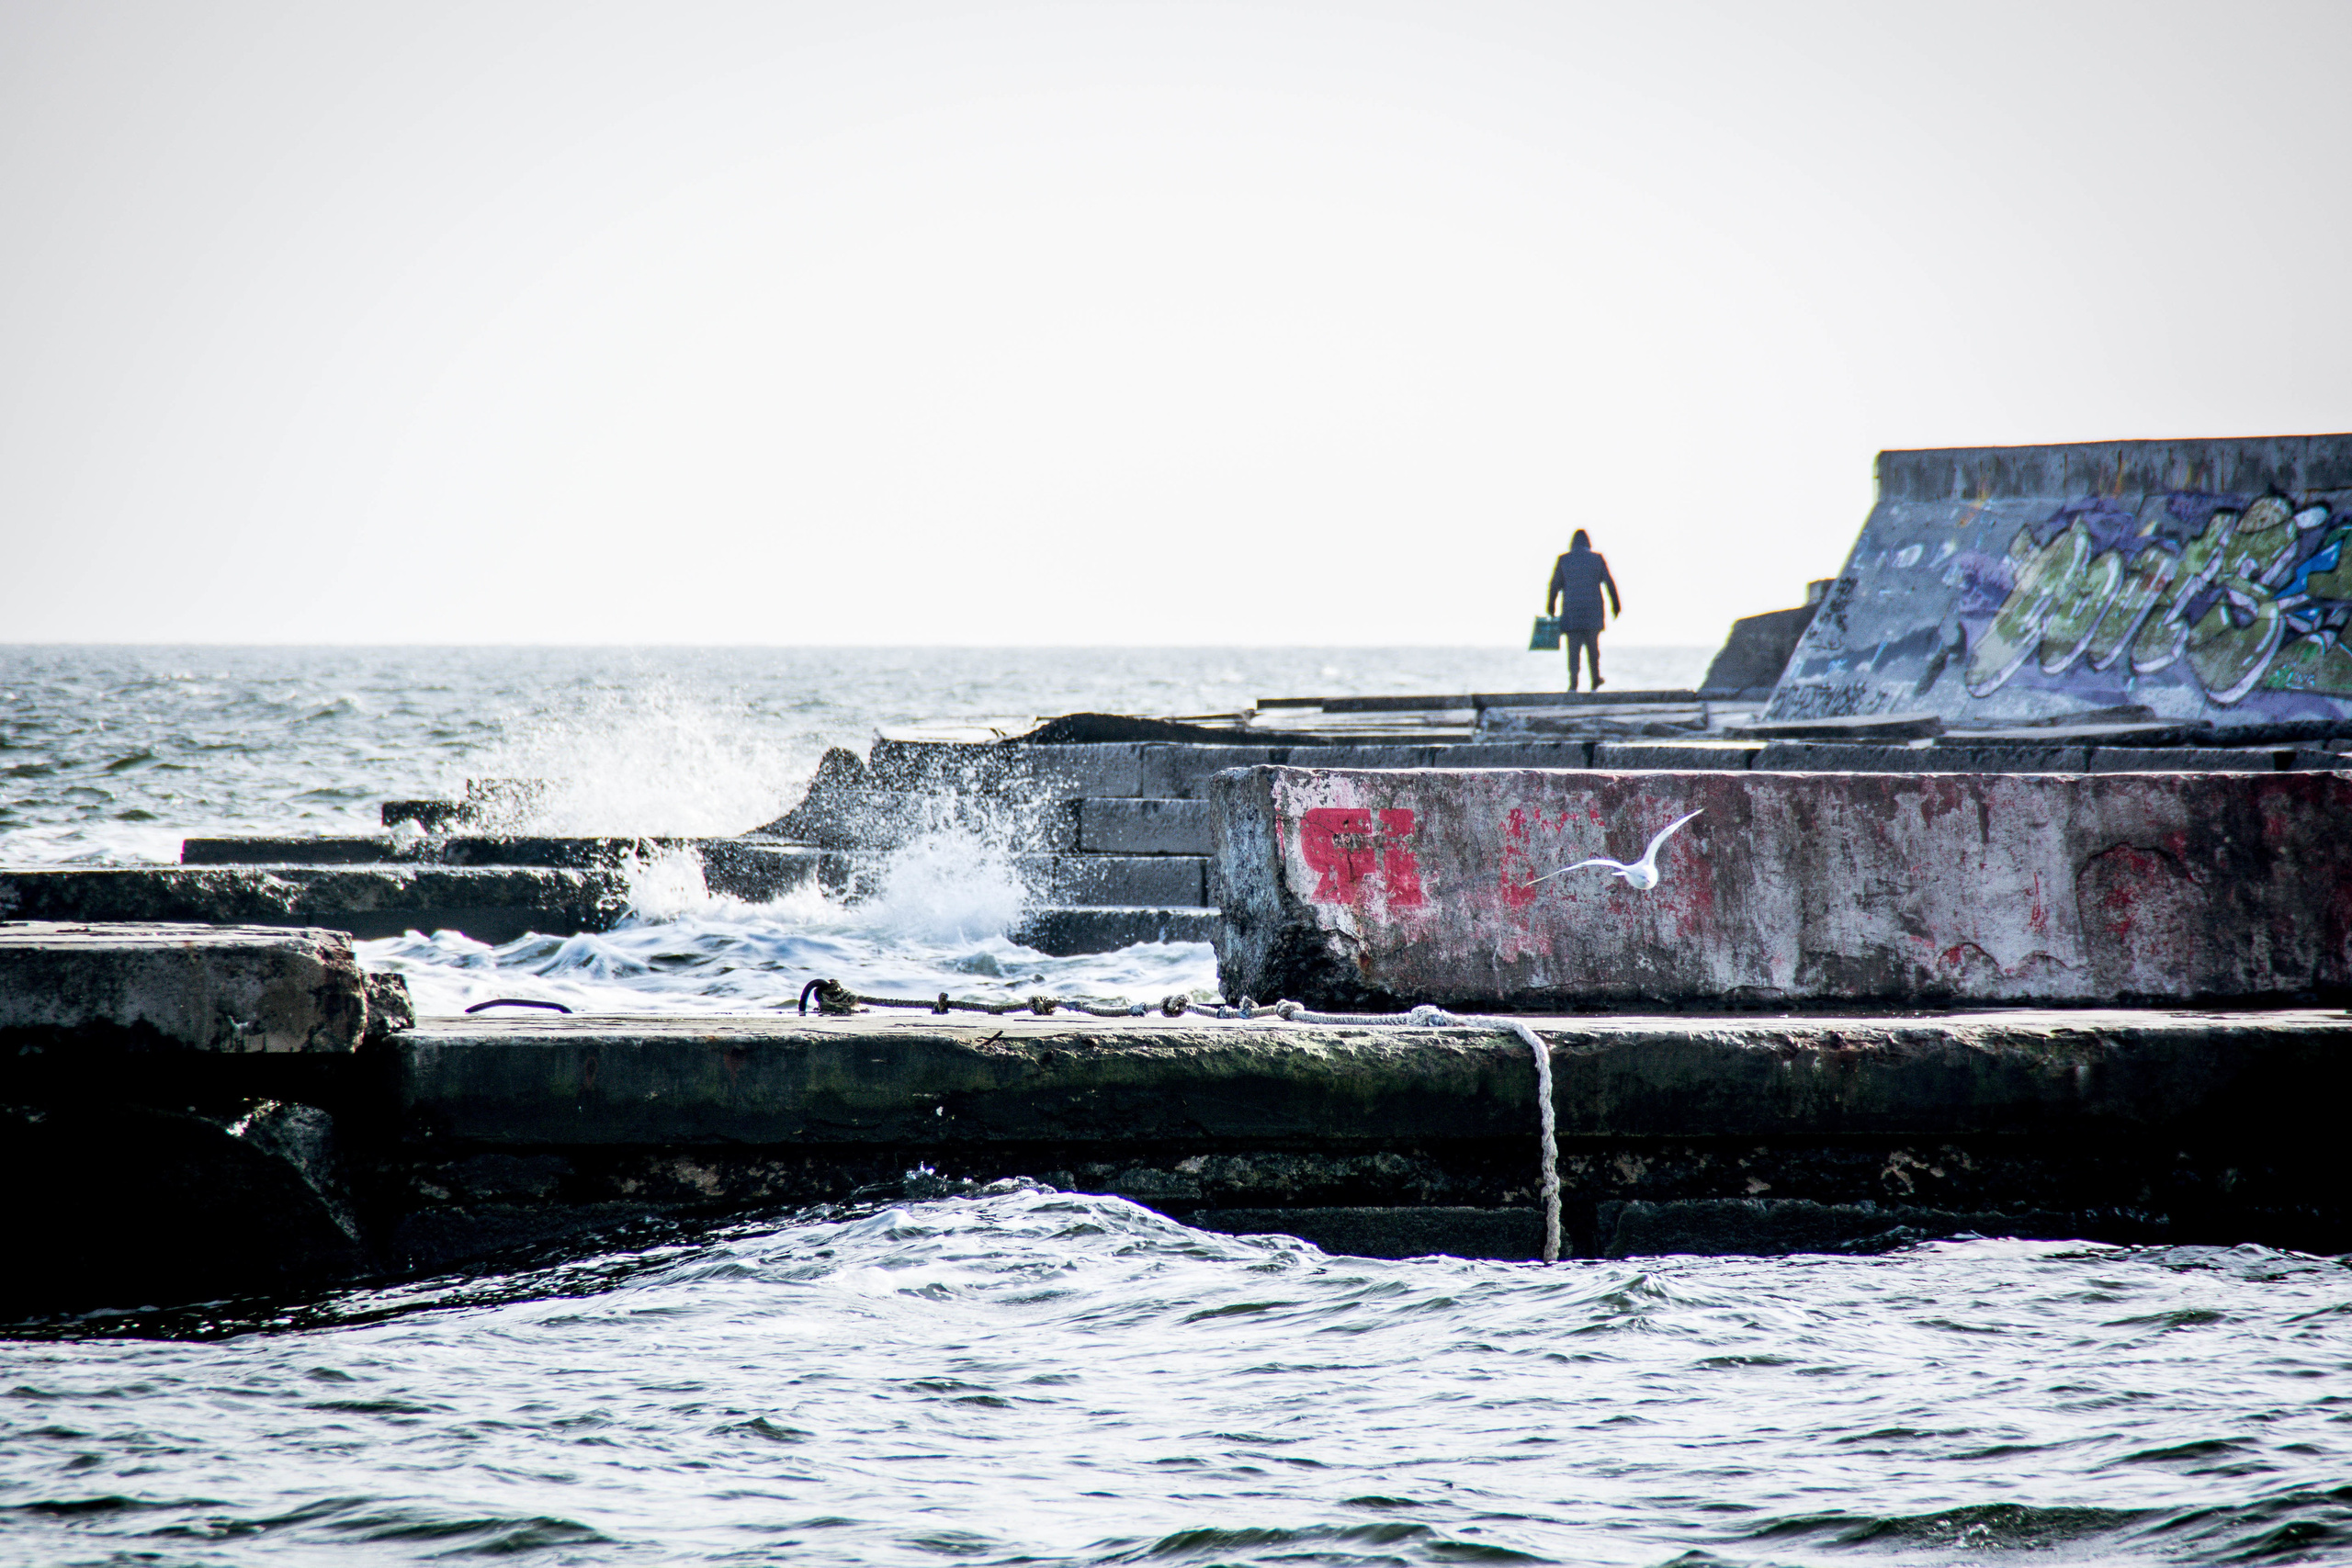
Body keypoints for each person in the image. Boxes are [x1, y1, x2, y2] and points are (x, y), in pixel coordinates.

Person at [1546, 530, 1621, 692]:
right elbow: (1609, 582)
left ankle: (1573, 684)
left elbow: (1554, 585)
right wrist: (1616, 605)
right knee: (1593, 648)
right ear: (1588, 543)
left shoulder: (1564, 560)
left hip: (1571, 613)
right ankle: (1595, 678)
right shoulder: (1597, 559)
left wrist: (1550, 605)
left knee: (1573, 651)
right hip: (1592, 612)